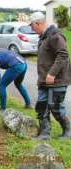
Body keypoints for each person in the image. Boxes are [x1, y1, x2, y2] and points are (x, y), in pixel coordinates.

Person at [28, 12, 71, 140]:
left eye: (32, 26)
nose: (31, 29)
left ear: (38, 23)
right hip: (43, 81)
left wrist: (52, 73)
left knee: (56, 108)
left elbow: (63, 54)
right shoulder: (43, 37)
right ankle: (45, 134)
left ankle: (67, 131)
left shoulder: (55, 35)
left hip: (57, 80)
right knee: (41, 107)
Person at [0, 45, 32, 112]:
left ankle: (2, 109)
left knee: (2, 86)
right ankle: (28, 104)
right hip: (23, 64)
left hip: (16, 65)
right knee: (18, 84)